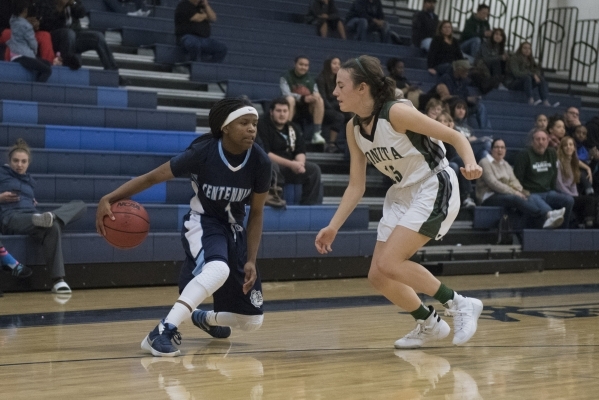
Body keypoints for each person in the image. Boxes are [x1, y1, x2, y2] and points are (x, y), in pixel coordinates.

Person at [315, 55, 484, 349]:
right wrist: (333, 226)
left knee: (392, 261)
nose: (334, 92)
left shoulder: (397, 113)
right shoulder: (353, 129)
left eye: (341, 85)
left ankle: (459, 304)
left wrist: (470, 164)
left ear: (362, 88)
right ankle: (428, 323)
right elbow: (356, 185)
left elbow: (456, 137)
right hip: (402, 192)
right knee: (378, 274)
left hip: (433, 183)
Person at [96, 98, 272, 357]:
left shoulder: (260, 161)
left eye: (254, 124)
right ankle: (162, 332)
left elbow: (256, 213)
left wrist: (252, 259)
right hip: (203, 222)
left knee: (251, 321)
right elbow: (152, 177)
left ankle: (200, 316)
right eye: (244, 123)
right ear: (224, 127)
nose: (251, 129)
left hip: (235, 230)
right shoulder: (203, 153)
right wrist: (108, 198)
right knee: (218, 268)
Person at [0, 139, 86, 294]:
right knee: (46, 223)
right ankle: (47, 219)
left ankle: (58, 282)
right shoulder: (1, 173)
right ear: (9, 161)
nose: (19, 164)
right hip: (10, 217)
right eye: (16, 161)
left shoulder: (29, 182)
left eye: (23, 161)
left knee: (77, 207)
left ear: (28, 163)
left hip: (33, 216)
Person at [477, 139, 566, 229]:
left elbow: (514, 180)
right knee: (516, 198)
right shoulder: (485, 162)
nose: (500, 150)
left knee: (529, 196)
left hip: (505, 194)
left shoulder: (505, 164)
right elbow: (493, 183)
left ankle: (547, 217)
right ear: (491, 150)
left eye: (502, 147)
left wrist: (520, 191)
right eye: (497, 147)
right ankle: (547, 215)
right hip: (489, 196)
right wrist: (514, 192)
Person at [257, 97, 323, 205]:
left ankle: (309, 206)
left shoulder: (293, 127)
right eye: (278, 111)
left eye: (285, 111)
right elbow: (266, 154)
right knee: (272, 166)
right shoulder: (262, 125)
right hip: (272, 166)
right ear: (271, 112)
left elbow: (300, 150)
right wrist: (291, 164)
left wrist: (300, 164)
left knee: (314, 170)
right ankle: (275, 201)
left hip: (290, 167)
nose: (282, 114)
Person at [38, 0, 122, 73]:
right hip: (55, 36)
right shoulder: (49, 2)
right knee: (69, 34)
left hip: (74, 35)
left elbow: (82, 13)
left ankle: (113, 71)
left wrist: (72, 3)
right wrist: (59, 8)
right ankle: (67, 67)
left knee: (98, 37)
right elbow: (45, 24)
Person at [513, 130, 574, 229]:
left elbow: (554, 173)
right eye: (538, 139)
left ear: (547, 141)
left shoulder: (552, 153)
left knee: (569, 200)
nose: (541, 142)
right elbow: (517, 177)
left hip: (548, 192)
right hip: (531, 193)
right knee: (548, 209)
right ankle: (550, 233)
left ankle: (563, 230)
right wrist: (523, 192)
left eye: (543, 139)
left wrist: (552, 189)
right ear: (533, 141)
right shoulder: (524, 154)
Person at [280, 55, 326, 145]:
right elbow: (285, 93)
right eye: (301, 64)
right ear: (295, 64)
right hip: (292, 107)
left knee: (319, 99)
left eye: (306, 65)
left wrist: (315, 96)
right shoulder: (286, 76)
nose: (303, 67)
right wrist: (302, 97)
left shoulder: (311, 79)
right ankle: (286, 131)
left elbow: (316, 92)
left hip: (307, 108)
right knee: (290, 99)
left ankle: (316, 134)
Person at [556, 136, 597, 228]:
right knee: (589, 200)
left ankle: (587, 224)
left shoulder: (573, 162)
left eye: (571, 145)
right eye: (565, 145)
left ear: (574, 147)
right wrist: (572, 196)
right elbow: (559, 185)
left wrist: (588, 169)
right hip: (563, 195)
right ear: (562, 148)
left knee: (592, 200)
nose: (568, 147)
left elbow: (573, 184)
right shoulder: (558, 163)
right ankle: (589, 226)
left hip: (572, 195)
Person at [6, 0, 52, 82]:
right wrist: (34, 52)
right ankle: (38, 88)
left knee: (46, 63)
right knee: (47, 70)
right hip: (24, 56)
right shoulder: (27, 26)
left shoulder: (12, 20)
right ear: (25, 10)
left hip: (14, 54)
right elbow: (33, 43)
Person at [438, 59, 492, 130]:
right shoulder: (446, 78)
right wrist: (466, 99)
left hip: (463, 105)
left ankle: (485, 131)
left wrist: (471, 99)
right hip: (451, 107)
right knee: (461, 107)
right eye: (466, 70)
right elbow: (447, 97)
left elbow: (465, 95)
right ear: (459, 70)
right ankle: (462, 129)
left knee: (480, 106)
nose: (467, 73)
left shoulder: (463, 81)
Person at [505, 42, 558, 107]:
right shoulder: (514, 58)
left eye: (529, 48)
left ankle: (545, 101)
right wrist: (532, 74)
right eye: (525, 48)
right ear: (520, 49)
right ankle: (530, 99)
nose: (527, 50)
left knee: (541, 78)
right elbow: (516, 73)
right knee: (527, 77)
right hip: (514, 82)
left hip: (526, 83)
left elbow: (537, 70)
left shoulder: (530, 59)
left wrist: (536, 75)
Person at [316, 57, 347, 153]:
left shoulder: (339, 80)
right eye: (334, 63)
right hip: (323, 108)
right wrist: (336, 106)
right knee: (339, 117)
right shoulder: (320, 79)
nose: (337, 66)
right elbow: (323, 99)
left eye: (339, 64)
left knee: (351, 114)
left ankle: (350, 143)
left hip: (335, 106)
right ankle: (331, 144)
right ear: (328, 64)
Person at [472, 27, 507, 92]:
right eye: (496, 34)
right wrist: (500, 57)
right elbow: (485, 59)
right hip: (482, 66)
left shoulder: (501, 48)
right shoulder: (486, 44)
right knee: (497, 61)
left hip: (491, 68)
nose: (498, 36)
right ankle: (496, 83)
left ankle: (500, 83)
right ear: (493, 35)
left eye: (500, 35)